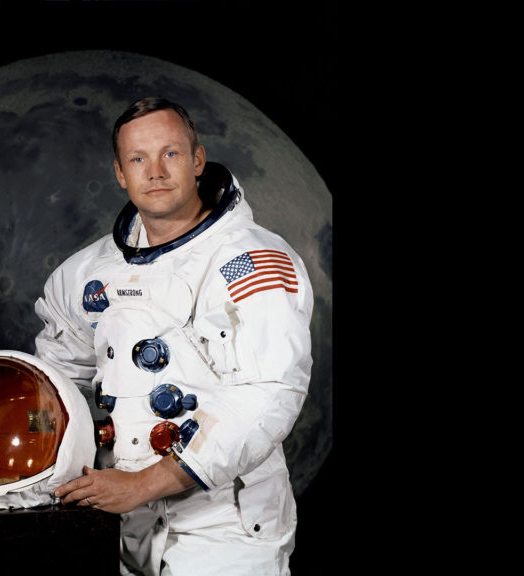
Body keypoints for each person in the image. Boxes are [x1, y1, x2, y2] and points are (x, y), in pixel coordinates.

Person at [33, 97, 314, 576]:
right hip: (123, 525)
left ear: (198, 160)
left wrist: (144, 483)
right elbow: (54, 389)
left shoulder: (251, 262)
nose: (155, 172)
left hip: (225, 529)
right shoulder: (86, 275)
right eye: (138, 159)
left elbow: (267, 397)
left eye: (170, 154)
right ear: (120, 173)